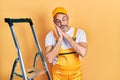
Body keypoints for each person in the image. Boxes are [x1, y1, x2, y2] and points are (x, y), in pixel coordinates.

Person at [45, 7, 88, 80]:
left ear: (68, 18)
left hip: (76, 75)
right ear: (54, 22)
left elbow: (83, 53)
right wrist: (59, 40)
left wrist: (66, 36)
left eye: (63, 19)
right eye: (58, 21)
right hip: (58, 76)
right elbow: (50, 59)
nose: (61, 23)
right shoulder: (50, 35)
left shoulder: (80, 32)